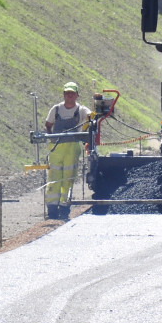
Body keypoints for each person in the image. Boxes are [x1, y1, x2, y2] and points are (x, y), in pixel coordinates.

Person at [43, 81, 91, 220]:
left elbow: (90, 115)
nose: (70, 96)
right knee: (54, 179)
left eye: (72, 93)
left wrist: (93, 115)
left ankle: (64, 208)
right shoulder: (56, 109)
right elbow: (48, 125)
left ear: (76, 95)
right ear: (64, 94)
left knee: (68, 179)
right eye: (67, 93)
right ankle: (52, 210)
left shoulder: (81, 110)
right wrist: (51, 137)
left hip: (72, 148)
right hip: (56, 148)